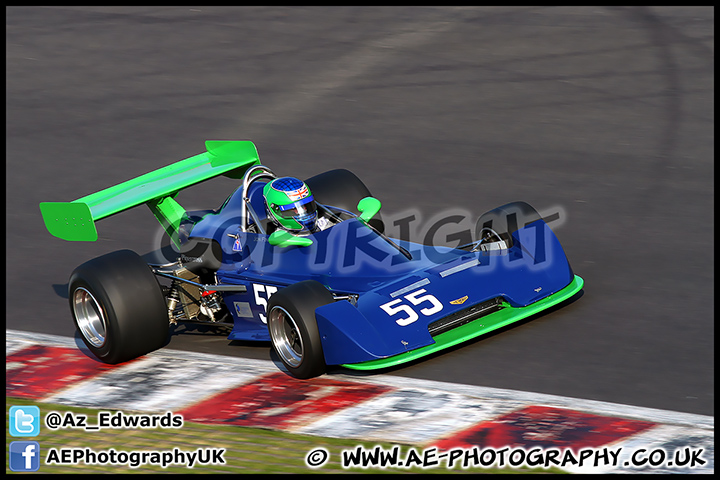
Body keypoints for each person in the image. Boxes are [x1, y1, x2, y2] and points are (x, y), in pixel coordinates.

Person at [262, 177, 332, 235]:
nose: (304, 210)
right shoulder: (279, 237)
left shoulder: (323, 223)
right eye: (293, 209)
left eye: (306, 205)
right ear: (276, 210)